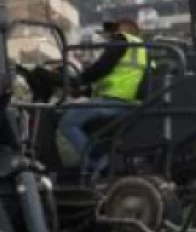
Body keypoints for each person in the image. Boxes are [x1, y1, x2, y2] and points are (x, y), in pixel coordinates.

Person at [57, 11, 148, 179]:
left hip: (113, 103)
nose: (111, 35)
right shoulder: (142, 50)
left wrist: (78, 80)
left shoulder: (122, 40)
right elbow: (117, 76)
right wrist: (84, 91)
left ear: (123, 29)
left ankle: (96, 161)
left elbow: (102, 67)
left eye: (114, 30)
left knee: (67, 121)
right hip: (129, 103)